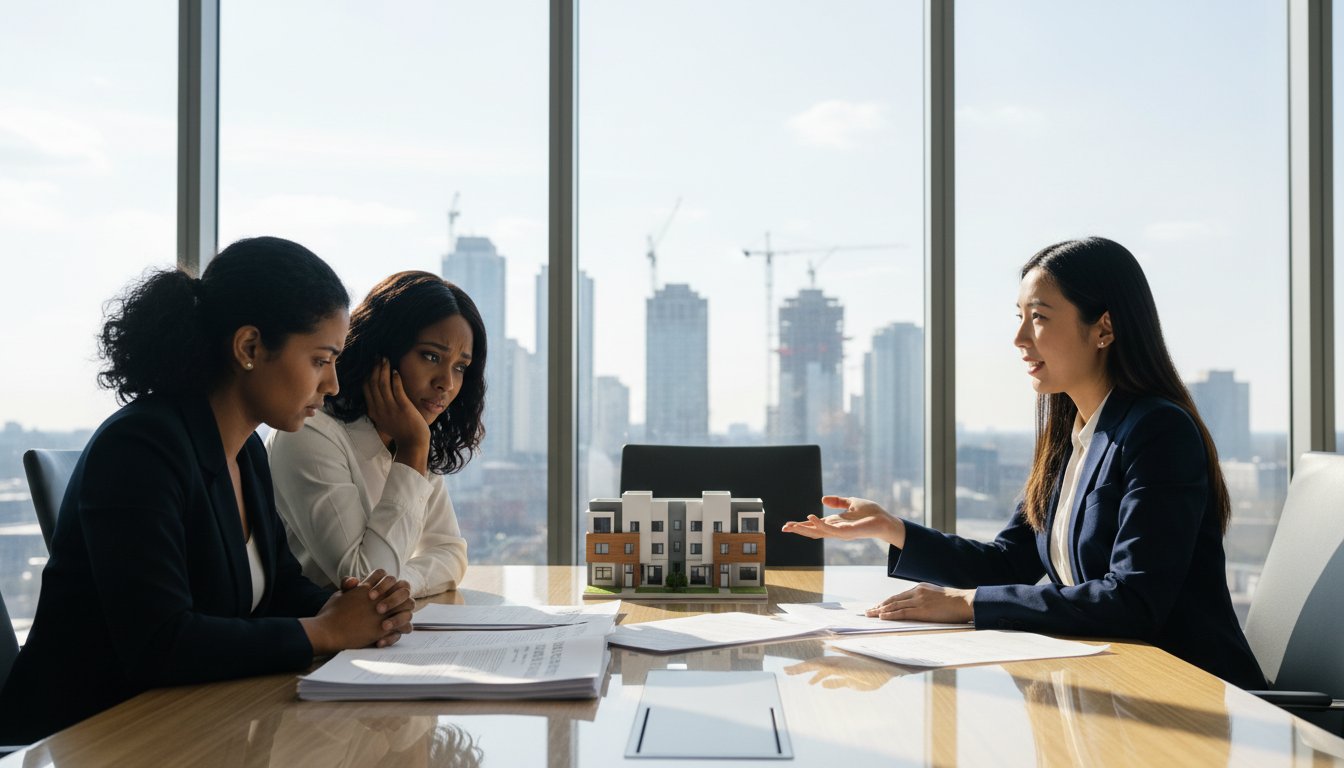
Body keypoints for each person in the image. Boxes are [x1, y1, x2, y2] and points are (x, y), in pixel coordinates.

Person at [783, 236, 1267, 689]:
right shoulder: (1068, 435)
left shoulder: (1158, 431)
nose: (1018, 337)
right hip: (1109, 680)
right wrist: (893, 530)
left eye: (1038, 317)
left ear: (1103, 328)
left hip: (1189, 690)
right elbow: (1005, 563)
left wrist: (967, 604)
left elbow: (1132, 602)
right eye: (1018, 316)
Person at [0, 237, 416, 744]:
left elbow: (279, 589)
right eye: (319, 360)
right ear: (249, 348)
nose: (331, 384)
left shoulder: (246, 452)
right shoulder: (140, 448)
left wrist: (362, 607)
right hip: (88, 736)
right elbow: (161, 641)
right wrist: (326, 631)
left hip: (187, 721)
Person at [267, 271, 485, 598]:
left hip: (371, 636)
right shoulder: (311, 433)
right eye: (430, 356)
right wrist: (412, 451)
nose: (447, 383)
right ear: (383, 351)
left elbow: (450, 554)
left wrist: (399, 584)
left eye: (460, 367)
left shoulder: (408, 433)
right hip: (312, 641)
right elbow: (363, 580)